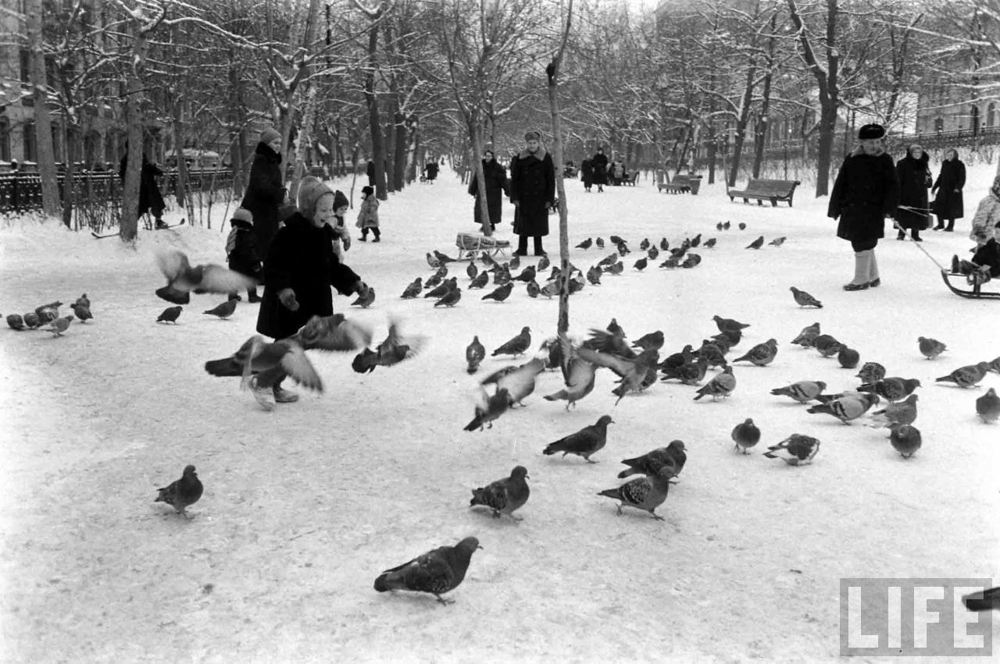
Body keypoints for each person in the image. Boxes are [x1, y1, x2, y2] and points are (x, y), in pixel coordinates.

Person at [256, 176, 369, 404]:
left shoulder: (322, 234)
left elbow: (331, 267)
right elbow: (273, 265)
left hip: (311, 303)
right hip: (289, 303)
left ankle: (273, 384)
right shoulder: (289, 234)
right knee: (287, 347)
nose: (329, 214)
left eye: (330, 209)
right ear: (308, 208)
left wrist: (353, 282)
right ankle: (262, 383)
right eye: (323, 209)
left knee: (297, 348)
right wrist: (284, 290)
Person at [828, 123, 899, 291]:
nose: (874, 146)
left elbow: (893, 186)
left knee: (864, 241)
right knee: (861, 240)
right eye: (870, 142)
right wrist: (835, 206)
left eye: (877, 142)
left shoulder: (885, 160)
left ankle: (861, 280)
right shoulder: (852, 159)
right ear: (862, 142)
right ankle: (873, 277)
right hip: (852, 208)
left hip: (874, 208)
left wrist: (890, 208)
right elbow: (841, 183)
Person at [241, 128, 286, 261]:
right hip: (261, 209)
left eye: (279, 143)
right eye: (275, 143)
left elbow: (272, 183)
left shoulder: (272, 161)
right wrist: (280, 194)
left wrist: (281, 191)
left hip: (269, 208)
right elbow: (261, 185)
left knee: (269, 242)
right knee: (264, 242)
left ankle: (267, 272)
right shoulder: (262, 160)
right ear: (266, 144)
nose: (278, 146)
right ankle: (263, 273)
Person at [508, 130, 555, 257]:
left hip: (540, 196)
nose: (532, 145)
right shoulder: (520, 158)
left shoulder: (546, 157)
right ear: (526, 143)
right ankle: (521, 248)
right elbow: (515, 179)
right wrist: (515, 197)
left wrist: (549, 199)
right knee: (523, 223)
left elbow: (551, 179)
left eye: (534, 143)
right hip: (523, 196)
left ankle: (538, 248)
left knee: (537, 223)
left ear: (538, 143)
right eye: (529, 143)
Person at [119, 145, 167, 229]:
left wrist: (158, 172)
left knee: (156, 204)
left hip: (149, 186)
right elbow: (122, 174)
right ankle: (129, 227)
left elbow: (148, 167)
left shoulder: (141, 156)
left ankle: (159, 221)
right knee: (138, 208)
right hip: (138, 188)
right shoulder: (126, 160)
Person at [893, 144, 932, 241]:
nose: (917, 154)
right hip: (906, 192)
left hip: (920, 193)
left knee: (917, 213)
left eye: (919, 152)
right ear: (910, 153)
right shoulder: (902, 163)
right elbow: (898, 178)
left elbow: (928, 176)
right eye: (915, 152)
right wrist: (898, 192)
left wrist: (928, 182)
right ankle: (901, 233)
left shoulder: (923, 163)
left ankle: (915, 234)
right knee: (905, 213)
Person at [225, 207, 262, 303]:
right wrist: (256, 262)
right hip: (246, 263)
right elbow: (249, 250)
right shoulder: (247, 235)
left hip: (234, 262)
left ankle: (232, 296)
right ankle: (252, 296)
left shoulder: (235, 232)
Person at [467, 148, 508, 232]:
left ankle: (492, 224)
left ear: (492, 157)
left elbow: (503, 180)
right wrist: (473, 190)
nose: (487, 158)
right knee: (482, 208)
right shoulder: (481, 166)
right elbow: (476, 178)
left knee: (492, 209)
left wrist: (507, 190)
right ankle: (484, 223)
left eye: (489, 156)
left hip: (494, 192)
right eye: (486, 156)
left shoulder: (497, 167)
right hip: (482, 191)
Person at [931, 148, 966, 232]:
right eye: (948, 155)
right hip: (943, 189)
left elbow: (962, 178)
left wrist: (958, 187)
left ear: (955, 156)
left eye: (951, 155)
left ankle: (950, 226)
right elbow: (941, 176)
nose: (949, 157)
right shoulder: (945, 163)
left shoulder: (959, 164)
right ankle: (940, 224)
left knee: (951, 208)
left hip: (953, 190)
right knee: (938, 206)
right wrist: (935, 186)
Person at [329, 189, 352, 260]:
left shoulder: (341, 218)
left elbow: (343, 228)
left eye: (345, 209)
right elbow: (327, 230)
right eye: (341, 209)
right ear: (335, 208)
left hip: (335, 244)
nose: (343, 211)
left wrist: (346, 237)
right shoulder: (330, 218)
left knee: (338, 258)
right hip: (328, 244)